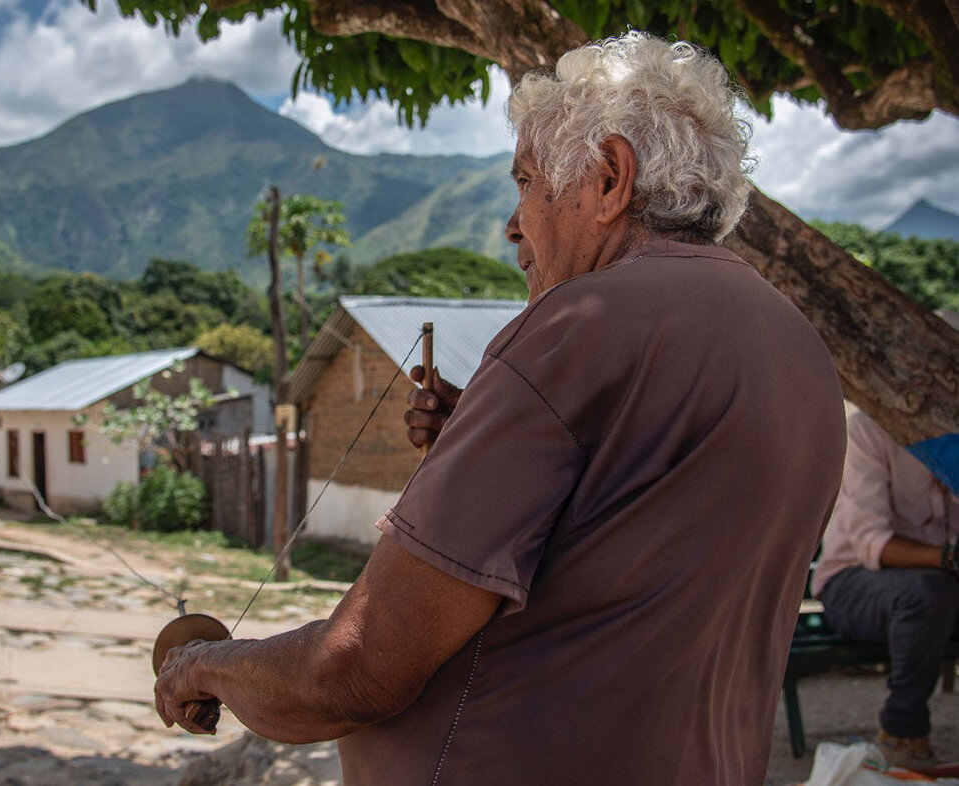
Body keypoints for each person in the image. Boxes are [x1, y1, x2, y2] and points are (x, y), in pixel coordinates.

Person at [154, 31, 847, 784]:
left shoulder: (578, 326)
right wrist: (477, 437)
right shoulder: (796, 347)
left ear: (612, 177)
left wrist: (201, 665)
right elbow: (638, 545)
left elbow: (354, 669)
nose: (512, 224)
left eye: (525, 183)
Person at [811, 410, 959, 767]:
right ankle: (902, 732)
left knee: (935, 590)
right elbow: (870, 542)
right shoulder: (868, 429)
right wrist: (948, 558)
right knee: (927, 592)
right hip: (853, 580)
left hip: (943, 580)